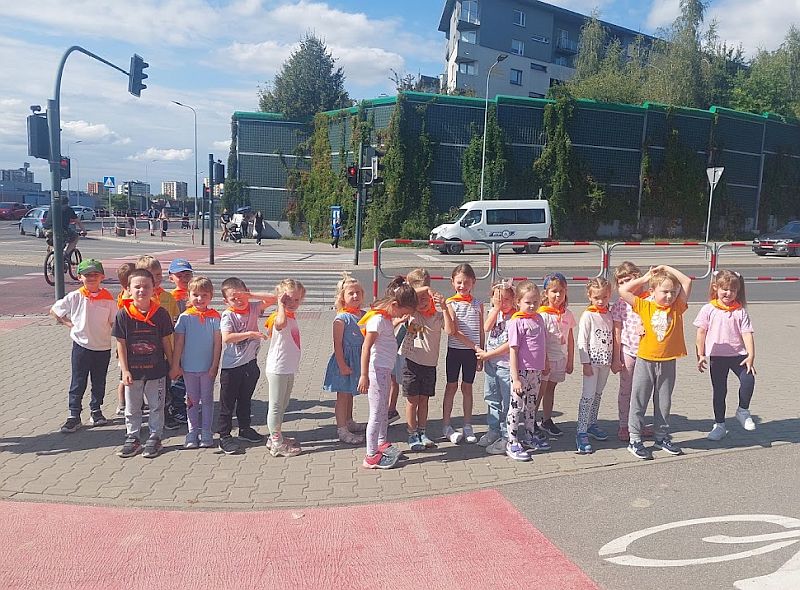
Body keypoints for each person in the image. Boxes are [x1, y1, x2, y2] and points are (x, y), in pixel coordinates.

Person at [619, 264, 692, 460]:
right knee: (639, 400)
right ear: (652, 291)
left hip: (668, 361)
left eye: (673, 292)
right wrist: (645, 278)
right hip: (645, 360)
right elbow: (623, 291)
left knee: (664, 402)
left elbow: (687, 281)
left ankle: (661, 436)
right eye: (664, 291)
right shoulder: (645, 306)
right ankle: (635, 439)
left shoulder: (677, 307)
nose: (669, 296)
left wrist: (667, 268)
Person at [113, 268, 175, 458]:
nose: (142, 290)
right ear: (128, 289)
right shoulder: (123, 315)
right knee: (133, 407)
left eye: (146, 286)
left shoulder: (161, 314)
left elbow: (166, 341)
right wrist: (124, 370)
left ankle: (155, 437)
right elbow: (121, 344)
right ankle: (133, 437)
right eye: (137, 287)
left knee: (156, 406)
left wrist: (174, 365)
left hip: (156, 370)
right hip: (133, 371)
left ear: (154, 288)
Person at [50, 259, 117, 433]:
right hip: (81, 346)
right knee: (78, 381)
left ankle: (96, 410)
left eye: (95, 274)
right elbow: (55, 311)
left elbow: (113, 322)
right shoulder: (75, 296)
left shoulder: (108, 298)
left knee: (99, 381)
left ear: (102, 277)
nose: (91, 278)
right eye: (87, 275)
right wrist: (68, 324)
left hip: (102, 347)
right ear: (80, 277)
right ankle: (74, 415)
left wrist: (119, 342)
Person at [357, 282, 418, 469]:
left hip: (384, 371)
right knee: (376, 414)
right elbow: (366, 347)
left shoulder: (385, 318)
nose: (400, 315)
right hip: (376, 372)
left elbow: (386, 333)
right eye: (402, 312)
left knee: (383, 410)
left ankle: (381, 443)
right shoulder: (377, 320)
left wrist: (398, 322)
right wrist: (364, 375)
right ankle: (371, 455)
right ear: (394, 304)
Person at [694, 270, 756, 441]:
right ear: (716, 288)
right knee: (720, 391)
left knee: (748, 379)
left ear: (738, 291)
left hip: (739, 355)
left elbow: (747, 333)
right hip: (717, 356)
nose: (728, 293)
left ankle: (743, 410)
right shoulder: (709, 309)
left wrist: (751, 355)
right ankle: (719, 424)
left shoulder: (740, 311)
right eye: (725, 289)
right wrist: (700, 354)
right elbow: (701, 333)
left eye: (733, 290)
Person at [217, 277, 277, 455]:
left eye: (241, 296)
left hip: (250, 364)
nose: (239, 301)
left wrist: (251, 295)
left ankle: (245, 429)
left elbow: (273, 298)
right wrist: (250, 334)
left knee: (245, 399)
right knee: (227, 403)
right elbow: (227, 338)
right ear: (226, 301)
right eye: (233, 298)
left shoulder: (253, 307)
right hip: (232, 367)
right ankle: (224, 436)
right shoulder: (228, 315)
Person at [400, 268, 452, 451]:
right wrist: (427, 290)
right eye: (419, 298)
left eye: (426, 298)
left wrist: (444, 307)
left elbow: (450, 330)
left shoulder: (437, 316)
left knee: (424, 400)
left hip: (430, 366)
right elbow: (407, 298)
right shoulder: (412, 313)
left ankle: (422, 431)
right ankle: (412, 433)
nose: (422, 301)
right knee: (412, 401)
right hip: (412, 364)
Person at [171, 276, 222, 449]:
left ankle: (206, 431)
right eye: (195, 295)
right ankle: (192, 431)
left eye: (204, 295)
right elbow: (179, 343)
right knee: (192, 400)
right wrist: (176, 365)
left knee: (207, 399)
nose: (200, 299)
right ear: (188, 295)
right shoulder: (185, 318)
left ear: (211, 296)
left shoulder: (215, 317)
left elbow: (217, 344)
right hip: (188, 368)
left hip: (207, 368)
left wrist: (214, 365)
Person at [136, 255, 181, 429]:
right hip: (141, 351)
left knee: (164, 385)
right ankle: (137, 414)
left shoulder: (168, 298)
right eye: (151, 275)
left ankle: (166, 413)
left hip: (165, 349)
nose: (156, 278)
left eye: (159, 274)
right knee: (141, 384)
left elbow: (175, 321)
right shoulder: (135, 298)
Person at [506, 281, 549, 461]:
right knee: (516, 407)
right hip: (521, 372)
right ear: (518, 302)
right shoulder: (517, 322)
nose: (532, 306)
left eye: (535, 302)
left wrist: (545, 362)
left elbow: (543, 343)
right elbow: (513, 351)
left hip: (535, 372)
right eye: (528, 302)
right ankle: (512, 441)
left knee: (531, 406)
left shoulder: (539, 319)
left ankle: (530, 435)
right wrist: (515, 378)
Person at [611, 261, 654, 441]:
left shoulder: (651, 299)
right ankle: (623, 425)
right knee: (626, 390)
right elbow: (617, 331)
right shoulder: (621, 304)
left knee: (642, 391)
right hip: (628, 351)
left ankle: (637, 424)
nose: (624, 285)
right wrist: (616, 357)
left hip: (647, 352)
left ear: (637, 278)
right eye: (621, 283)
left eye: (627, 280)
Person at [442, 263, 484, 444]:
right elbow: (454, 331)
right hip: (455, 351)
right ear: (452, 282)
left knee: (467, 387)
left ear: (473, 282)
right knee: (451, 386)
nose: (462, 286)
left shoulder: (478, 304)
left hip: (472, 353)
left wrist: (481, 353)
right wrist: (476, 347)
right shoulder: (450, 303)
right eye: (459, 282)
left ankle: (467, 425)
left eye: (466, 282)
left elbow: (481, 330)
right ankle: (446, 425)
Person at [264, 279, 306, 457]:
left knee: (283, 404)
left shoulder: (290, 316)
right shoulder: (278, 316)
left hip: (288, 367)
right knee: (275, 405)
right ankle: (276, 444)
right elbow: (280, 324)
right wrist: (280, 305)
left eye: (297, 300)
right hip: (278, 367)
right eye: (288, 299)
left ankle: (275, 435)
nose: (293, 303)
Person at [323, 273, 367, 444]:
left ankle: (349, 421)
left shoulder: (364, 314)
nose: (355, 296)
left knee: (350, 394)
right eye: (351, 293)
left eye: (358, 292)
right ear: (342, 297)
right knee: (343, 395)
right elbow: (337, 344)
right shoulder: (341, 318)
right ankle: (342, 429)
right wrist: (342, 364)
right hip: (345, 360)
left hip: (357, 359)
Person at [476, 280, 516, 454]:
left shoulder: (515, 317)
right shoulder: (494, 313)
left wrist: (488, 355)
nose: (503, 303)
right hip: (491, 364)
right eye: (499, 300)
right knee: (492, 397)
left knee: (507, 401)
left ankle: (506, 434)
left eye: (506, 300)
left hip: (505, 365)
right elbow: (486, 327)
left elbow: (510, 344)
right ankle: (493, 430)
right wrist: (496, 309)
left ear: (513, 300)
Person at [576, 277, 614, 454]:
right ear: (589, 296)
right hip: (591, 363)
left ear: (609, 295)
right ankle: (581, 431)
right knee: (588, 396)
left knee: (598, 394)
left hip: (605, 361)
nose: (600, 301)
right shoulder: (588, 315)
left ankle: (592, 423)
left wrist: (615, 359)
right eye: (597, 297)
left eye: (604, 297)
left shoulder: (609, 314)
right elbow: (582, 340)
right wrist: (585, 362)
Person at [535, 272, 576, 438]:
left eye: (561, 291)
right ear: (546, 293)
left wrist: (570, 360)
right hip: (545, 360)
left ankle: (546, 420)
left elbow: (570, 338)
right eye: (554, 291)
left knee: (551, 389)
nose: (558, 295)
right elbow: (540, 341)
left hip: (560, 359)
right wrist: (544, 361)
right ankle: (531, 421)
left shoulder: (568, 314)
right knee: (540, 390)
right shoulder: (542, 314)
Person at [114, 262, 136, 417]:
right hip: (127, 344)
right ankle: (121, 403)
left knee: (128, 376)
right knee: (124, 377)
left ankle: (131, 402)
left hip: (128, 343)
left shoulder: (123, 294)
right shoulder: (127, 297)